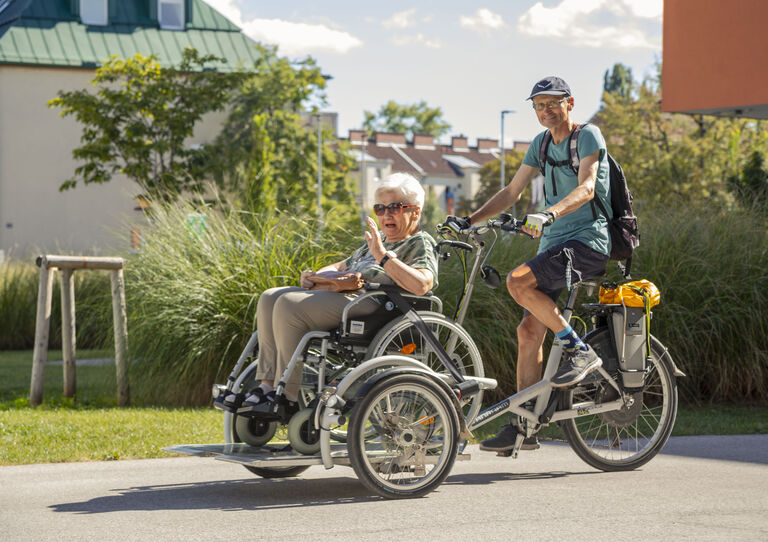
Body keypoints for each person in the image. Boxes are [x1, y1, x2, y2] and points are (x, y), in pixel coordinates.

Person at [445, 76, 611, 452]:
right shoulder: (541, 144)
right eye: (538, 106)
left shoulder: (587, 136)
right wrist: (468, 220)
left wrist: (548, 214)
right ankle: (524, 426)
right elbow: (512, 191)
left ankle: (579, 350)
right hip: (554, 243)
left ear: (570, 103)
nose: (545, 111)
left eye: (552, 103)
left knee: (518, 281)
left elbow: (587, 188)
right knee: (528, 332)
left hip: (587, 241)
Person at [235, 172, 439, 418]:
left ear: (415, 212)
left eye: (394, 207)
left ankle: (287, 395)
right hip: (348, 299)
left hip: (375, 306)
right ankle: (267, 386)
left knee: (287, 304)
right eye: (380, 208)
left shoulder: (419, 242)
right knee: (269, 297)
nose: (386, 214)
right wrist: (317, 277)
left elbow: (422, 285)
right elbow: (340, 267)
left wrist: (383, 257)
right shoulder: (377, 241)